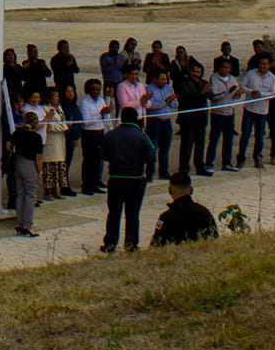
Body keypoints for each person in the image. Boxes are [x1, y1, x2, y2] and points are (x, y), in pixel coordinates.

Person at [100, 106, 155, 254]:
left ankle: (110, 244)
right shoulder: (141, 136)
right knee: (132, 214)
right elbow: (151, 156)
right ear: (136, 118)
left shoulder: (111, 135)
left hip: (116, 178)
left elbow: (103, 154)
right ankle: (131, 244)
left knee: (113, 213)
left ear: (121, 118)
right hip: (135, 179)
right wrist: (148, 173)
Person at [149, 171, 218, 246]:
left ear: (170, 190)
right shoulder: (204, 213)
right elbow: (215, 239)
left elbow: (155, 243)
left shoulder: (165, 217)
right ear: (191, 190)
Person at [237, 52, 275, 169]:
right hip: (249, 108)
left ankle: (258, 158)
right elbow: (242, 86)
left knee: (259, 136)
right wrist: (251, 92)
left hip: (262, 110)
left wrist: (261, 94)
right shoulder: (250, 73)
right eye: (260, 64)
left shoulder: (272, 78)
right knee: (245, 135)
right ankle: (240, 159)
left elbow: (272, 94)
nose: (262, 66)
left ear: (269, 65)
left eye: (264, 64)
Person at [171, 53, 207, 176]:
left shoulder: (203, 82)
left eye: (198, 72)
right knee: (186, 145)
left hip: (200, 119)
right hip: (188, 119)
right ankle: (184, 168)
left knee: (200, 144)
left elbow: (211, 96)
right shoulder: (183, 82)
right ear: (190, 71)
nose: (196, 74)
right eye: (194, 71)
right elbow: (186, 97)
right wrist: (201, 93)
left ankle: (200, 166)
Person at [9, 111, 43, 237]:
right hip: (30, 165)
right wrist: (40, 172)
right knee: (30, 196)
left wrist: (12, 153)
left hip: (18, 163)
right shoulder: (36, 137)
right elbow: (38, 157)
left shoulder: (18, 132)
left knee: (20, 194)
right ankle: (27, 225)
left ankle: (19, 224)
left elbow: (9, 144)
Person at [204, 56, 240, 173]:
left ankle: (227, 163)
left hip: (230, 112)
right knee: (214, 139)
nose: (224, 69)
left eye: (227, 67)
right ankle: (209, 163)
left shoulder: (233, 79)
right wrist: (227, 92)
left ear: (230, 69)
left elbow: (235, 96)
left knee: (228, 139)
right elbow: (214, 96)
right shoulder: (214, 79)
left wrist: (237, 94)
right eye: (222, 67)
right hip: (217, 113)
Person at [143, 70, 177, 179]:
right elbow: (150, 105)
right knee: (152, 148)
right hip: (154, 122)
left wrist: (171, 101)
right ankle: (149, 173)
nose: (164, 81)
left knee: (165, 148)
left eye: (166, 79)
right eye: (162, 79)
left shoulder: (168, 88)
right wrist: (165, 102)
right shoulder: (149, 89)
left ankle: (163, 171)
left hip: (166, 121)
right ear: (155, 79)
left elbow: (175, 104)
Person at [77, 76, 110, 194]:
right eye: (93, 89)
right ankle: (87, 185)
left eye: (98, 90)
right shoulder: (84, 102)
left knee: (98, 159)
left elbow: (105, 117)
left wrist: (107, 124)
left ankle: (95, 182)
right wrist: (99, 114)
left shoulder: (101, 100)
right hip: (89, 133)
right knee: (89, 160)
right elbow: (86, 121)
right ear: (88, 90)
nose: (96, 92)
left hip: (100, 132)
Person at [40, 88, 71, 199]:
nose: (57, 99)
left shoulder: (58, 108)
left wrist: (64, 125)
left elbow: (62, 120)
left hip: (60, 141)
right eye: (55, 97)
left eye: (58, 97)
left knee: (59, 167)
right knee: (49, 167)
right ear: (49, 98)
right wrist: (63, 126)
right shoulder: (44, 109)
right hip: (51, 141)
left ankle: (56, 190)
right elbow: (49, 125)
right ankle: (47, 191)